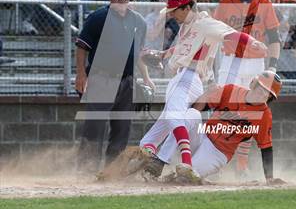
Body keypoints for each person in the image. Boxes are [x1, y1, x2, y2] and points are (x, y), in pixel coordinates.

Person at [137, 0, 267, 176]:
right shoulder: (186, 26)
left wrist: (253, 42)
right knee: (162, 131)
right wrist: (162, 54)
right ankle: (152, 156)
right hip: (185, 78)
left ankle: (175, 162)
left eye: (175, 10)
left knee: (174, 117)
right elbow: (181, 48)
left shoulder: (205, 23)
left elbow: (230, 34)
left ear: (187, 7)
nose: (172, 15)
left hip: (188, 77)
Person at [111, 71, 285, 185]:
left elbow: (266, 147)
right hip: (202, 136)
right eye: (261, 88)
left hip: (218, 153)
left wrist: (269, 178)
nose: (262, 94)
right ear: (253, 84)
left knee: (185, 179)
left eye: (268, 94)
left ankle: (170, 177)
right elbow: (201, 104)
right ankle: (160, 161)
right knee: (192, 114)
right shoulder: (232, 91)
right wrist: (200, 101)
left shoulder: (264, 115)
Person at [75, 0, 153, 172]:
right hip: (102, 78)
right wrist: (80, 74)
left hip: (127, 81)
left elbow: (139, 53)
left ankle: (112, 171)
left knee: (122, 127)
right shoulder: (97, 18)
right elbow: (81, 47)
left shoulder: (139, 22)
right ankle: (86, 170)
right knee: (95, 126)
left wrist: (146, 77)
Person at [214, 0, 281, 177]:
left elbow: (274, 38)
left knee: (251, 114)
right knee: (224, 110)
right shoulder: (225, 2)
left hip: (256, 63)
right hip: (230, 60)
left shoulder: (265, 3)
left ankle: (241, 165)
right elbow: (214, 35)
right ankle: (217, 159)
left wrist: (272, 66)